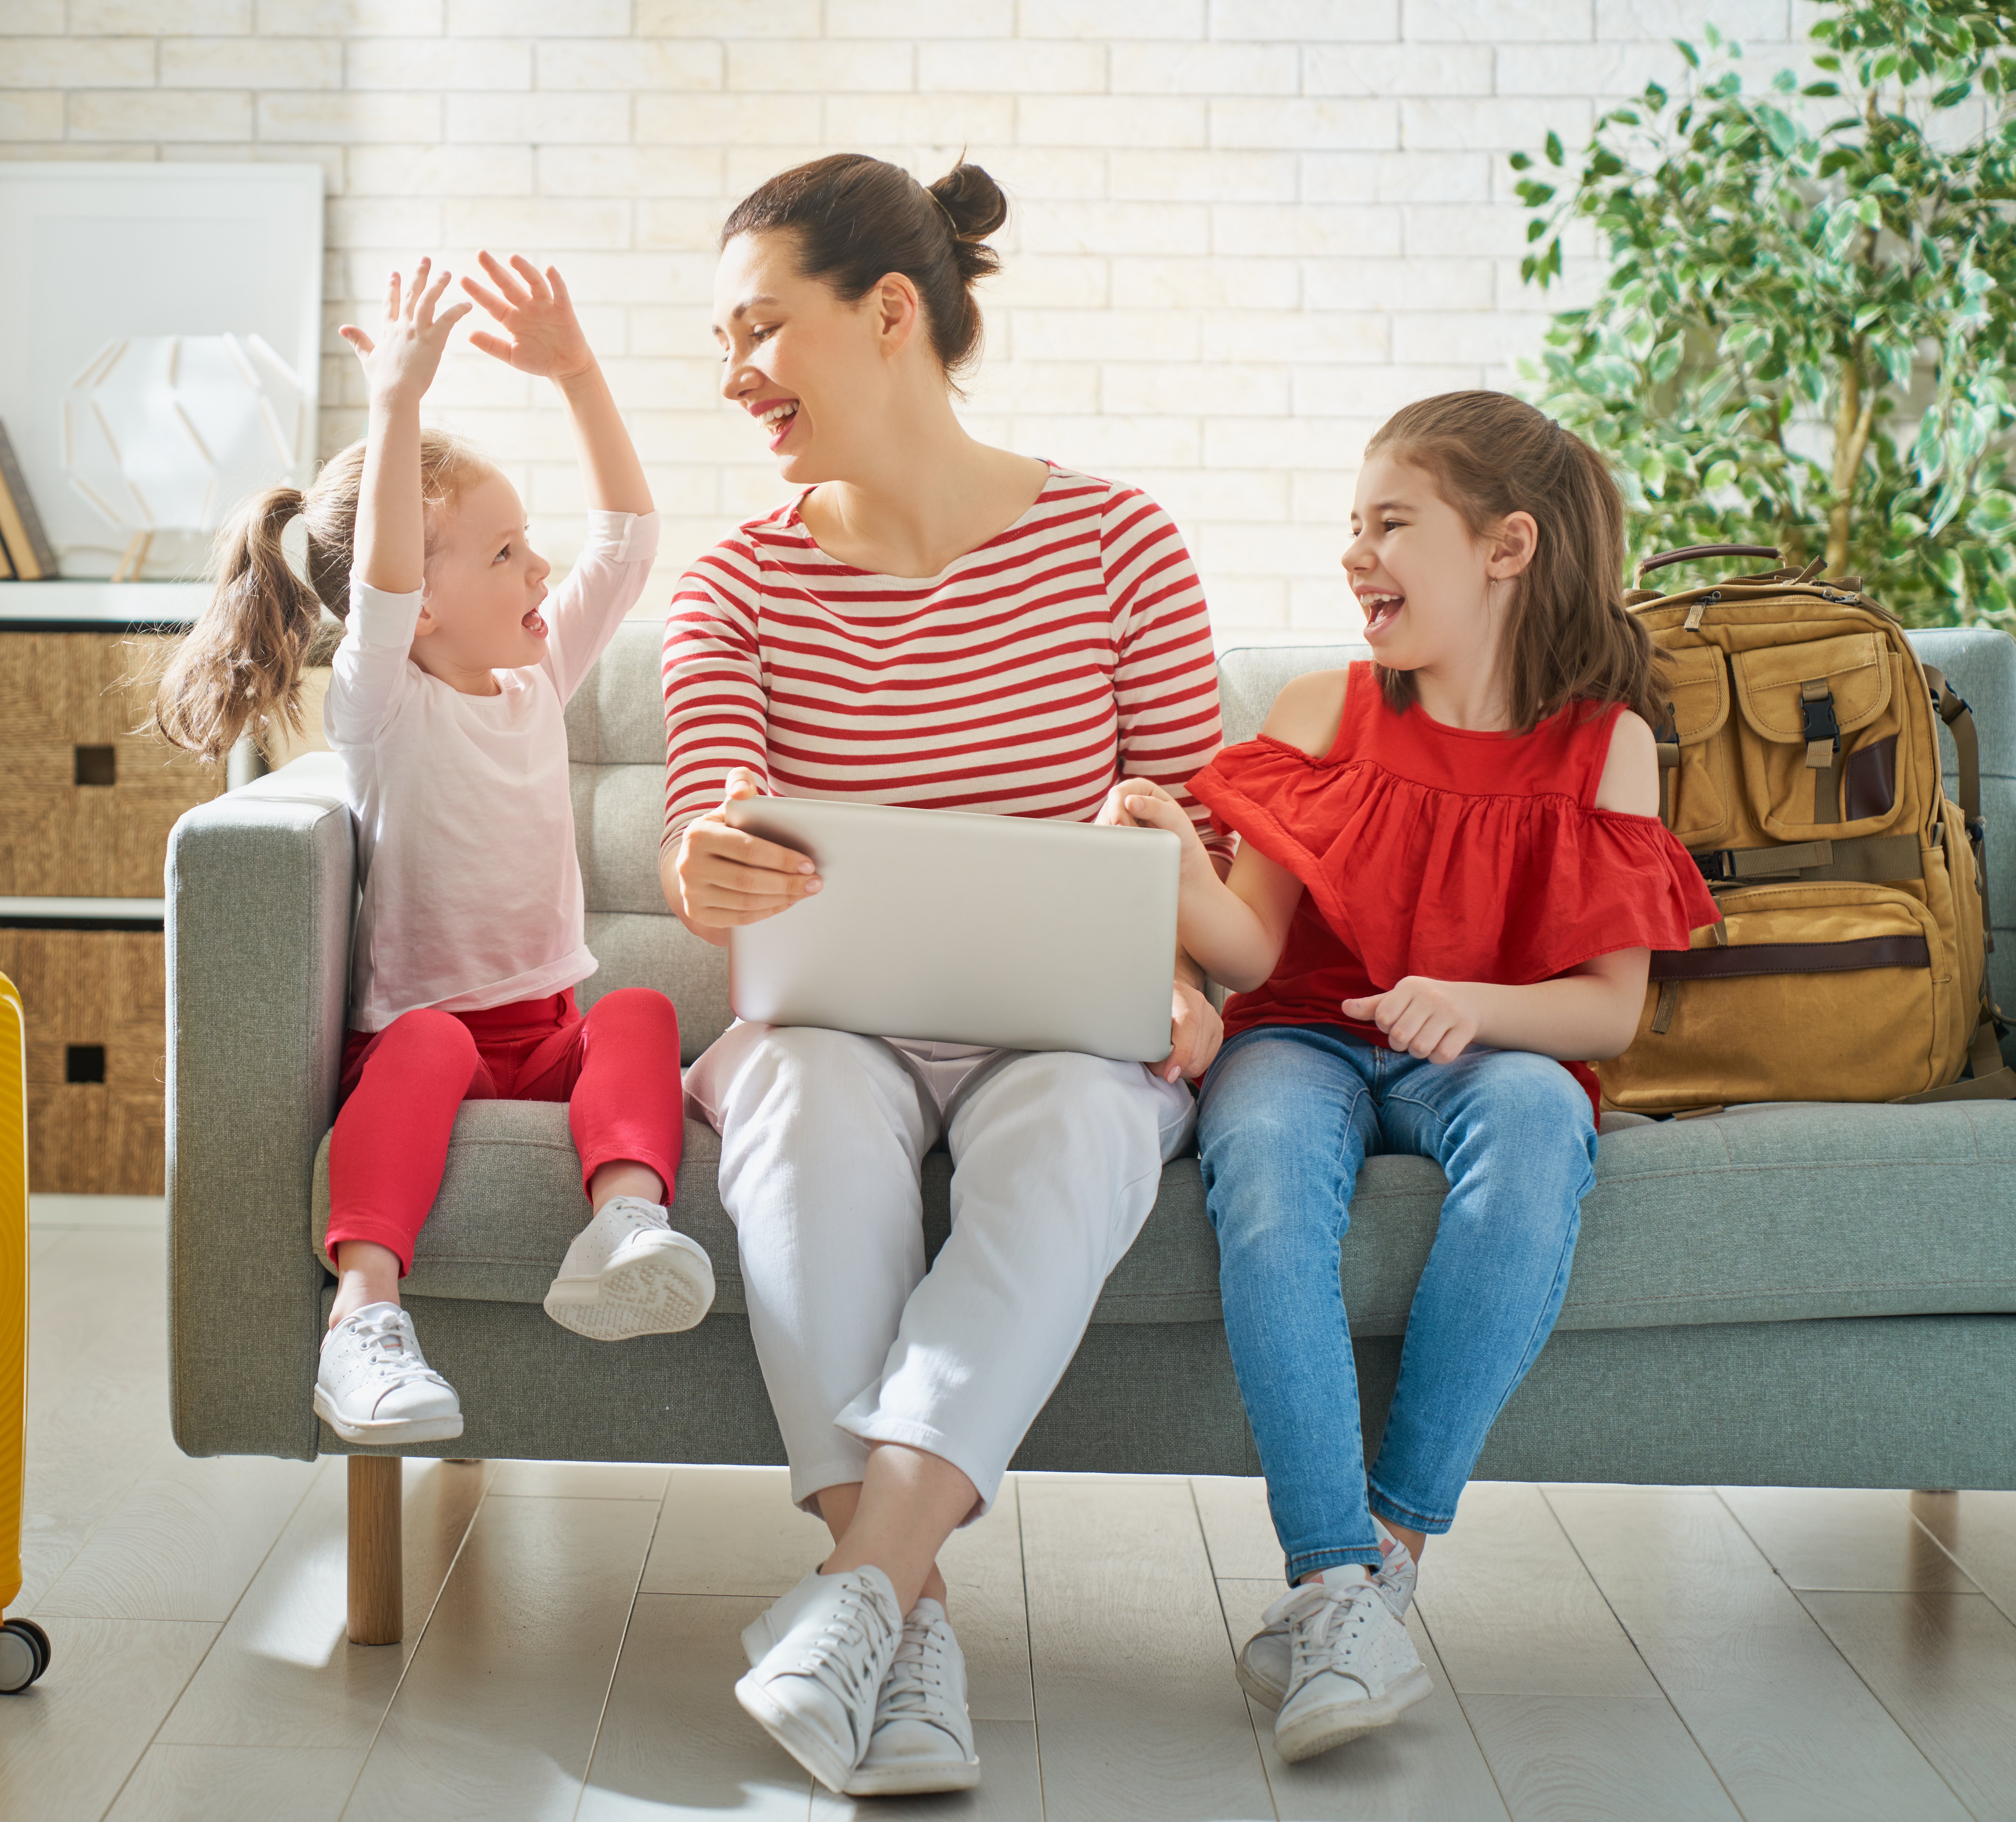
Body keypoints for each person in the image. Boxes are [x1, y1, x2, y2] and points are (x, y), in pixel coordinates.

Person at [663, 153, 1232, 1799]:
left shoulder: (1118, 546)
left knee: (1080, 1119)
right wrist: (699, 862)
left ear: (890, 312)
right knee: (800, 1090)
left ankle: (862, 1596)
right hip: (834, 1023)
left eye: (762, 329)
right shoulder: (735, 584)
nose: (735, 377)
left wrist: (1187, 960)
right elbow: (712, 803)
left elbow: (1207, 834)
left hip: (1061, 1027)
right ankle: (900, 1623)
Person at [1108, 391, 1718, 1763]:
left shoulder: (1605, 742)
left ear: (1505, 547)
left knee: (1536, 1138)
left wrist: (1471, 1007)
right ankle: (1334, 1581)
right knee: (1259, 1172)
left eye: (1391, 525)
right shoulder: (1324, 706)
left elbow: (1607, 1014)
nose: (1355, 554)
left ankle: (1381, 1558)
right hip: (1302, 1035)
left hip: (1494, 1043)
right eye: (1351, 525)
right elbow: (1249, 942)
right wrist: (1166, 855)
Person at [152, 254, 708, 1448]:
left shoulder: (536, 672)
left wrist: (577, 374)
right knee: (425, 1042)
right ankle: (362, 1326)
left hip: (544, 1028)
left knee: (641, 1015)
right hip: (428, 1036)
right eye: (504, 552)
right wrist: (398, 403)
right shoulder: (381, 700)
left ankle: (621, 1223)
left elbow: (627, 540)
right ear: (423, 595)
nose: (539, 568)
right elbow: (388, 584)